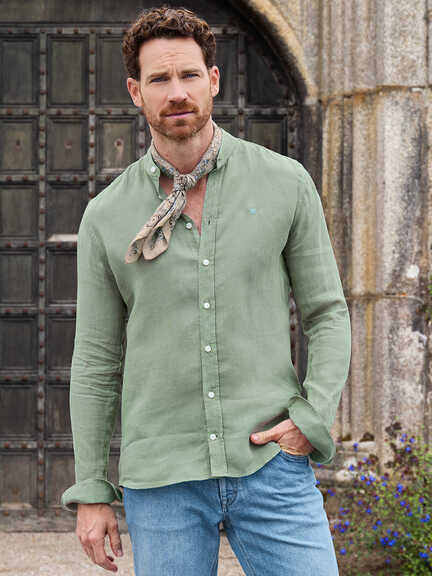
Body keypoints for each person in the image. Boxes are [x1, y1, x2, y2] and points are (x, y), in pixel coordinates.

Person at [60, 6, 351, 576]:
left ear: (213, 80)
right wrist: (91, 488)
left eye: (189, 75)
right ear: (135, 93)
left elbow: (327, 313)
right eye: (159, 79)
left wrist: (311, 415)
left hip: (270, 463)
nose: (177, 92)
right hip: (161, 479)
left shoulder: (285, 182)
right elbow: (95, 359)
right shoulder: (106, 215)